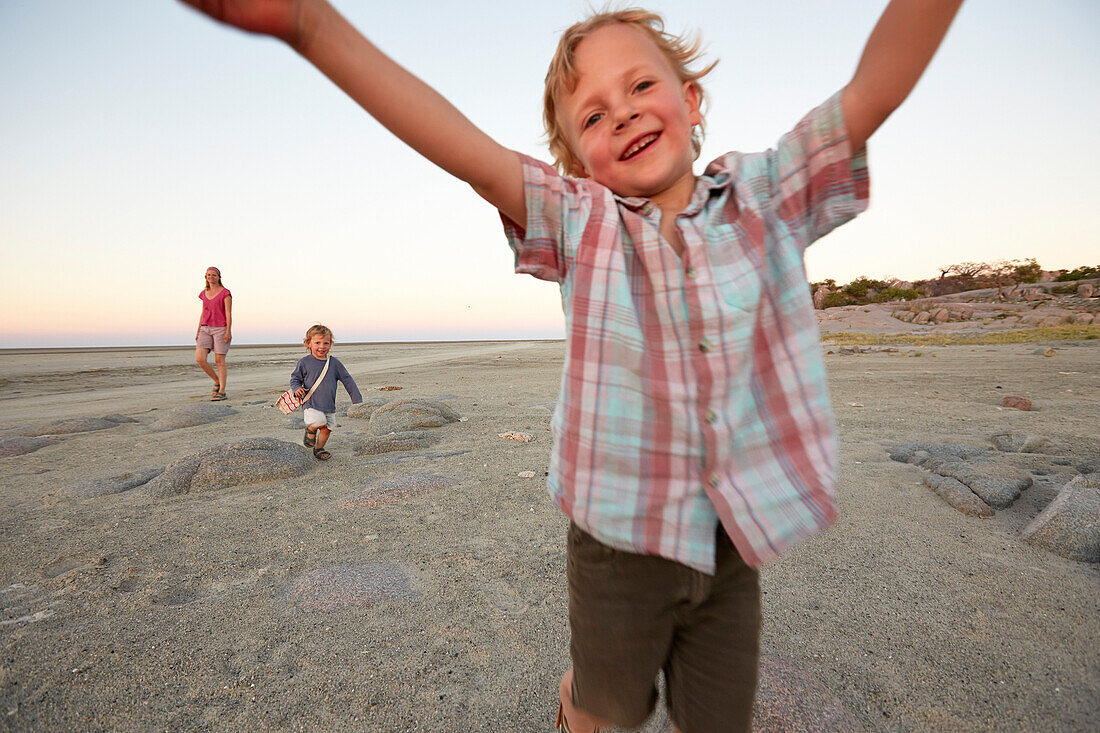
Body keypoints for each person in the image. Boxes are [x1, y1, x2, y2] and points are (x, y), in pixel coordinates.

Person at [180, 1, 965, 729]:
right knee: (606, 711)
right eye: (593, 113)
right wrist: (311, 26)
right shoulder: (583, 222)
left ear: (692, 100)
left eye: (641, 85)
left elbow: (870, 95)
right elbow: (469, 155)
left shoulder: (763, 195)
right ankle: (578, 700)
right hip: (617, 542)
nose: (621, 110)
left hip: (732, 543)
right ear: (577, 161)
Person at [290, 324, 363, 461]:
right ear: (309, 344)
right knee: (319, 421)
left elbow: (347, 380)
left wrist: (357, 399)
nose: (322, 346)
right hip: (311, 403)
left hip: (329, 404)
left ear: (330, 344)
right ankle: (310, 430)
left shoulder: (334, 363)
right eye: (317, 343)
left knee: (327, 428)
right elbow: (295, 378)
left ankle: (319, 448)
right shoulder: (304, 362)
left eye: (326, 343)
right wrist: (296, 389)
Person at [194, 266, 232, 401]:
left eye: (214, 275)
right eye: (209, 275)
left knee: (219, 360)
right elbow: (203, 313)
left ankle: (222, 391)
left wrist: (228, 331)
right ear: (205, 277)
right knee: (200, 359)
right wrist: (198, 330)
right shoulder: (204, 293)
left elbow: (228, 313)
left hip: (220, 329)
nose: (211, 277)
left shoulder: (225, 293)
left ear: (219, 277)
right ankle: (216, 381)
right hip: (205, 328)